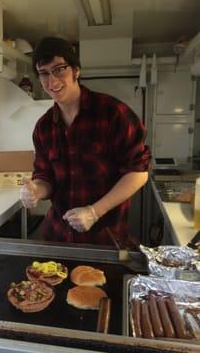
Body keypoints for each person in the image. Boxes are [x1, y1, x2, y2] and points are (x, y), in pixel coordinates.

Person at [20, 36, 150, 246]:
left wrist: (94, 211)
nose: (51, 82)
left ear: (76, 71)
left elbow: (138, 173)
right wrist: (36, 190)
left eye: (59, 69)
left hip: (105, 237)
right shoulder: (43, 127)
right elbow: (46, 178)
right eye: (43, 73)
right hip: (58, 237)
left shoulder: (114, 114)